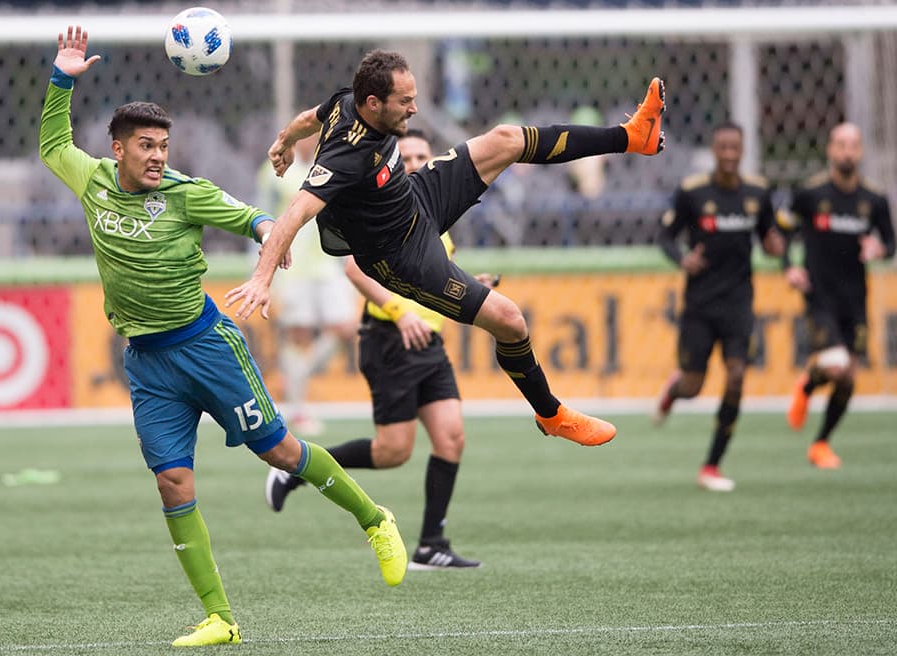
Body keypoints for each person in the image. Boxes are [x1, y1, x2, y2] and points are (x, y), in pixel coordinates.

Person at [41, 27, 406, 648]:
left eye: (163, 145)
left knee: (281, 452)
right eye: (145, 146)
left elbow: (252, 216)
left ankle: (374, 519)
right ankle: (221, 619)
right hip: (147, 363)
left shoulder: (186, 195)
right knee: (172, 483)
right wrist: (61, 80)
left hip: (206, 347)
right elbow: (52, 143)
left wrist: (271, 237)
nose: (157, 156)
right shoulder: (91, 180)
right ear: (117, 149)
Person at [228, 50, 667, 446]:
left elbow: (312, 117)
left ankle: (632, 136)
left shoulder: (348, 101)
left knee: (506, 138)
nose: (414, 109)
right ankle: (551, 414)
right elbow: (295, 213)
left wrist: (284, 141)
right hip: (402, 256)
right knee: (510, 320)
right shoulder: (344, 157)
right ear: (374, 103)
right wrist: (262, 279)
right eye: (405, 101)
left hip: (416, 197)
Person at [265, 129, 488, 569]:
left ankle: (431, 544)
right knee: (392, 451)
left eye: (423, 156)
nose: (416, 163)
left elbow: (434, 272)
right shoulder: (381, 204)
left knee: (451, 437)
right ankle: (297, 469)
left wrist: (475, 286)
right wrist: (399, 313)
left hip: (428, 342)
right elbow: (354, 268)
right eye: (407, 156)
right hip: (390, 340)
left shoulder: (432, 208)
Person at [652, 122, 784, 491]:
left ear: (742, 150)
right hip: (700, 303)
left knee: (737, 377)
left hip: (739, 301)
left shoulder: (758, 192)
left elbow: (771, 238)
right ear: (714, 150)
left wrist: (777, 247)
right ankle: (673, 390)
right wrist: (683, 259)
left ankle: (711, 465)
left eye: (734, 147)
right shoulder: (693, 192)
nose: (728, 154)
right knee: (693, 386)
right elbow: (665, 237)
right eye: (722, 147)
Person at [777, 122, 894, 469]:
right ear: (830, 149)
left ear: (860, 151)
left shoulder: (874, 199)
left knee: (848, 379)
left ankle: (820, 443)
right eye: (841, 145)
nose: (847, 152)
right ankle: (808, 386)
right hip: (819, 296)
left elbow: (890, 242)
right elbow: (782, 231)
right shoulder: (810, 194)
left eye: (853, 145)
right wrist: (789, 266)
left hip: (855, 299)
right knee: (838, 366)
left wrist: (879, 249)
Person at [255, 135, 357, 436]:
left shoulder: (334, 165)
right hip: (293, 267)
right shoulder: (275, 170)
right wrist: (262, 267)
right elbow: (261, 213)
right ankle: (297, 410)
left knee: (346, 328)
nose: (314, 138)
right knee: (298, 335)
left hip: (329, 264)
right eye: (309, 132)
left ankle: (295, 379)